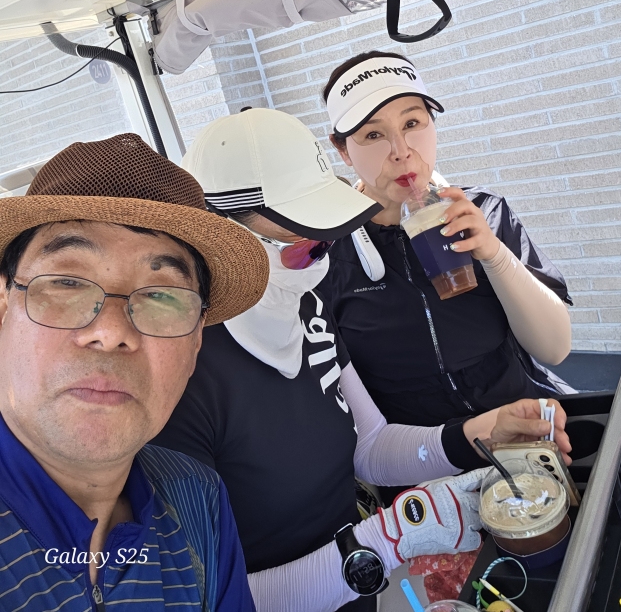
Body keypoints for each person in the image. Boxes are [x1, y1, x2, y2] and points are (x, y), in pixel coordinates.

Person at [152, 108, 572, 612]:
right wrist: (393, 536)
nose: (322, 257)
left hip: (358, 586)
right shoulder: (182, 380)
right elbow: (206, 597)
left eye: (328, 237)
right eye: (305, 246)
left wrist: (480, 434)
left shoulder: (307, 313)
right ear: (224, 239)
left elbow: (370, 445)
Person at [0, 133, 270, 612]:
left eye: (161, 295)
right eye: (67, 282)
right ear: (3, 307)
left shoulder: (196, 498)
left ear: (196, 339)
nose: (110, 332)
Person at [319, 50, 573, 428]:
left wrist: (493, 254)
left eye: (412, 123)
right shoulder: (327, 255)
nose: (401, 152)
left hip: (527, 421)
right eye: (373, 134)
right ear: (343, 150)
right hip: (421, 449)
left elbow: (554, 349)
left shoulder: (484, 212)